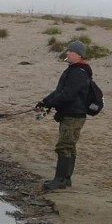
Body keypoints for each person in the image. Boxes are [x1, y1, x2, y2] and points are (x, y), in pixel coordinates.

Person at [35, 40, 91, 190]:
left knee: (64, 146)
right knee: (69, 146)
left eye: (70, 51)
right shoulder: (72, 70)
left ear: (78, 54)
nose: (67, 53)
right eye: (68, 51)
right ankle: (65, 179)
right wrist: (45, 102)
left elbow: (68, 95)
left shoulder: (79, 72)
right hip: (70, 113)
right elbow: (59, 91)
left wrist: (51, 104)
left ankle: (60, 180)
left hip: (74, 115)